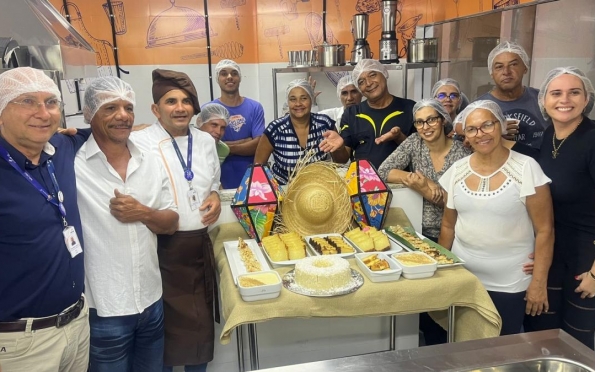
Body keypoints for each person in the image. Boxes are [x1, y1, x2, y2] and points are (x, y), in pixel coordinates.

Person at [75, 76, 179, 372]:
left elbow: (171, 221)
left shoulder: (150, 160)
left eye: (128, 108)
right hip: (104, 309)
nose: (123, 115)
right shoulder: (72, 162)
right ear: (89, 113)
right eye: (110, 108)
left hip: (151, 301)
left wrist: (143, 213)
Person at [0, 67, 90, 372]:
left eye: (51, 102)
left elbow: (111, 129)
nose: (43, 112)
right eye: (27, 101)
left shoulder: (61, 148)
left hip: (76, 324)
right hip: (20, 345)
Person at [438, 100, 554, 336]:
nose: (480, 134)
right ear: (466, 135)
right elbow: (448, 226)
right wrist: (441, 272)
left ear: (501, 126)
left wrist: (539, 283)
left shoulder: (526, 168)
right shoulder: (457, 171)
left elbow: (545, 230)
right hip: (465, 280)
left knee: (500, 353)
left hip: (510, 284)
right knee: (462, 346)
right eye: (472, 129)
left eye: (487, 125)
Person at [133, 69, 222, 371]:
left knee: (200, 333)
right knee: (164, 337)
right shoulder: (139, 141)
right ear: (156, 109)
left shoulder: (206, 141)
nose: (180, 108)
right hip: (160, 250)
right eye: (171, 101)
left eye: (186, 101)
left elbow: (214, 181)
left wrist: (214, 194)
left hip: (198, 248)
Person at [531, 67, 595, 348]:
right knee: (543, 332)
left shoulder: (592, 139)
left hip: (586, 259)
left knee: (576, 343)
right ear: (544, 100)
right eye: (556, 93)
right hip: (555, 253)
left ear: (586, 99)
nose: (564, 100)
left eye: (574, 92)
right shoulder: (548, 137)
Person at [378, 99, 470, 241]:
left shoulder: (463, 153)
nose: (425, 127)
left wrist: (425, 190)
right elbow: (383, 171)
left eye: (431, 120)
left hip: (454, 233)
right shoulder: (415, 142)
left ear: (443, 120)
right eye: (419, 122)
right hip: (416, 230)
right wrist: (422, 181)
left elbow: (462, 203)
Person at [320, 59, 416, 169]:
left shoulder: (410, 108)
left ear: (384, 73)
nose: (369, 83)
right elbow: (342, 160)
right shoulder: (351, 114)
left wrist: (399, 137)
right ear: (360, 89)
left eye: (373, 75)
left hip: (402, 182)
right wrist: (339, 148)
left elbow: (421, 154)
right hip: (363, 182)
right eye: (361, 82)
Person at [254, 79, 349, 185]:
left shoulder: (324, 124)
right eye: (293, 99)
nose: (298, 104)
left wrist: (340, 147)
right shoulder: (275, 130)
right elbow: (258, 167)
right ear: (288, 102)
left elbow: (341, 161)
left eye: (303, 98)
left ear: (311, 99)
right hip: (284, 191)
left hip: (318, 190)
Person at [476, 41, 547, 148]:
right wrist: (495, 130)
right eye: (499, 67)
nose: (506, 72)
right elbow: (461, 128)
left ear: (525, 68)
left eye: (513, 64)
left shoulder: (542, 99)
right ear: (491, 73)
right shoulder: (479, 106)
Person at [210, 59, 265, 189]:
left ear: (239, 78)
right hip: (219, 182)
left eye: (234, 73)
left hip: (251, 181)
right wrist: (245, 141)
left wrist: (225, 147)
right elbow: (209, 147)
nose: (229, 77)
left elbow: (258, 145)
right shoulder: (210, 109)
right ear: (218, 79)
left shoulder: (255, 107)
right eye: (224, 73)